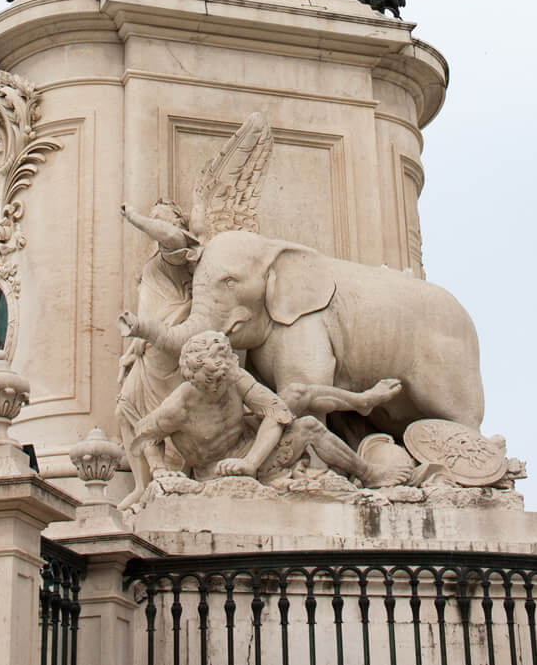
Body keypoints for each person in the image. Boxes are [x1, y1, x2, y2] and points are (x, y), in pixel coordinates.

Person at [131, 331, 410, 489]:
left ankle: (362, 405)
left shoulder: (232, 376)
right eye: (222, 381)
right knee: (310, 426)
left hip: (251, 452)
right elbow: (144, 434)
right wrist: (158, 469)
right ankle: (368, 471)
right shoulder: (179, 406)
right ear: (206, 383)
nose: (233, 380)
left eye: (231, 372)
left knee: (296, 394)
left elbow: (276, 410)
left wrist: (251, 460)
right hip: (217, 471)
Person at [115, 199, 200, 509]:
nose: (154, 218)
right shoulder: (158, 256)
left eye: (160, 215)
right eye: (152, 215)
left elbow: (171, 236)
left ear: (176, 219)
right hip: (146, 342)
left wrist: (135, 217)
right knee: (125, 408)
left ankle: (169, 473)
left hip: (167, 338)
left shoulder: (177, 249)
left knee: (159, 413)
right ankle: (145, 481)